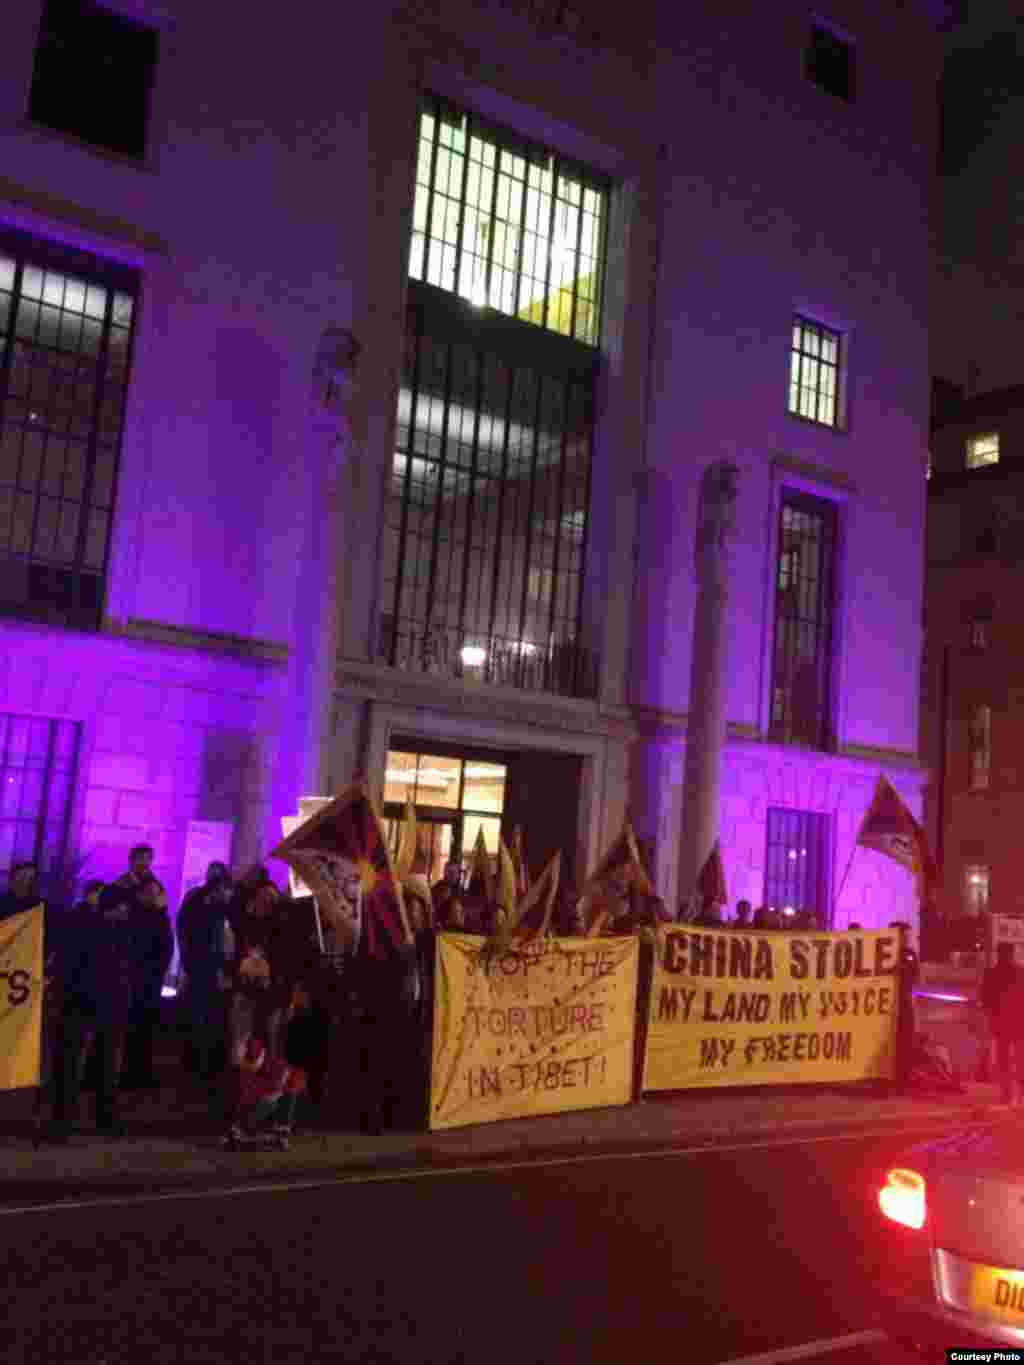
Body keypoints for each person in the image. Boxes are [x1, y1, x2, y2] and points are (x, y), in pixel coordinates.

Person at [49, 878, 143, 1139]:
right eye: (123, 907)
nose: (126, 912)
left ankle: (76, 1119)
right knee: (85, 1066)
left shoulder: (112, 931)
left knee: (91, 1067)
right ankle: (77, 1119)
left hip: (96, 1006)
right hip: (89, 1006)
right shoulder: (96, 929)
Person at [176, 864, 234, 1089]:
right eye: (226, 889)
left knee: (206, 1018)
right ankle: (200, 1065)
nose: (229, 894)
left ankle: (200, 1064)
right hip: (205, 970)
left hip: (205, 969)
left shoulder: (212, 906)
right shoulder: (205, 906)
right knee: (204, 1017)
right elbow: (196, 937)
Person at [120, 875, 174, 1090]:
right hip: (134, 980)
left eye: (157, 893)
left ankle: (142, 1072)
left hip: (152, 981)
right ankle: (127, 1073)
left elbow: (166, 947)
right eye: (150, 893)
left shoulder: (160, 916)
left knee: (147, 1028)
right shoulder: (135, 915)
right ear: (140, 894)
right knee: (132, 1028)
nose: (154, 897)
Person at [980, 942, 1024, 1105]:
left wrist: (991, 1013)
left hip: (1002, 1020)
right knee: (1018, 1057)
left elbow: (985, 998)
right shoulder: (1020, 972)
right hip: (1018, 1020)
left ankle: (1007, 1093)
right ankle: (1016, 1091)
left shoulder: (992, 973)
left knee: (1005, 1057)